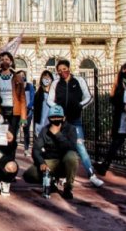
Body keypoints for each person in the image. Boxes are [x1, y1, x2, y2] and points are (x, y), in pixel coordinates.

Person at [47, 59, 104, 187]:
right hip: (60, 121)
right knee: (59, 147)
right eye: (59, 70)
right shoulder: (56, 83)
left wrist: (79, 106)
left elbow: (88, 97)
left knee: (80, 147)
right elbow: (50, 100)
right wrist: (58, 110)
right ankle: (58, 176)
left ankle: (92, 175)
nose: (62, 72)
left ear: (69, 68)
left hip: (75, 120)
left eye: (64, 69)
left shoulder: (79, 80)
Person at [95, 63, 126, 177]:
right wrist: (123, 106)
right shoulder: (118, 85)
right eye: (125, 69)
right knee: (117, 141)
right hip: (122, 117)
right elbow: (113, 99)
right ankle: (105, 165)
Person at [24, 105, 79, 199]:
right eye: (53, 117)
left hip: (65, 162)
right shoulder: (45, 130)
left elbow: (71, 147)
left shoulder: (71, 129)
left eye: (58, 117)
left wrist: (57, 134)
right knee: (29, 175)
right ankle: (51, 181)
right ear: (49, 118)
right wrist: (41, 163)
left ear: (63, 118)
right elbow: (36, 149)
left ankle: (68, 187)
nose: (56, 119)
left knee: (72, 156)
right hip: (51, 161)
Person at [0, 52, 26, 152]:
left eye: (7, 59)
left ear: (11, 62)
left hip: (14, 111)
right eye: (2, 60)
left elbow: (22, 98)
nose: (4, 61)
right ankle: (0, 160)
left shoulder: (17, 77)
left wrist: (23, 117)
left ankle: (10, 160)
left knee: (11, 137)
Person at [17, 70, 36, 157]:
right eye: (19, 75)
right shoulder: (15, 86)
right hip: (17, 111)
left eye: (23, 75)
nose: (21, 76)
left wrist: (28, 107)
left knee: (26, 131)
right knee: (15, 130)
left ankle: (26, 148)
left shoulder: (29, 86)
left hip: (27, 111)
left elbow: (32, 98)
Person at [33, 70, 54, 137]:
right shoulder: (38, 94)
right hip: (41, 120)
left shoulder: (54, 93)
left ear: (51, 79)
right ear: (41, 79)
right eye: (44, 77)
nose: (46, 79)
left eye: (48, 77)